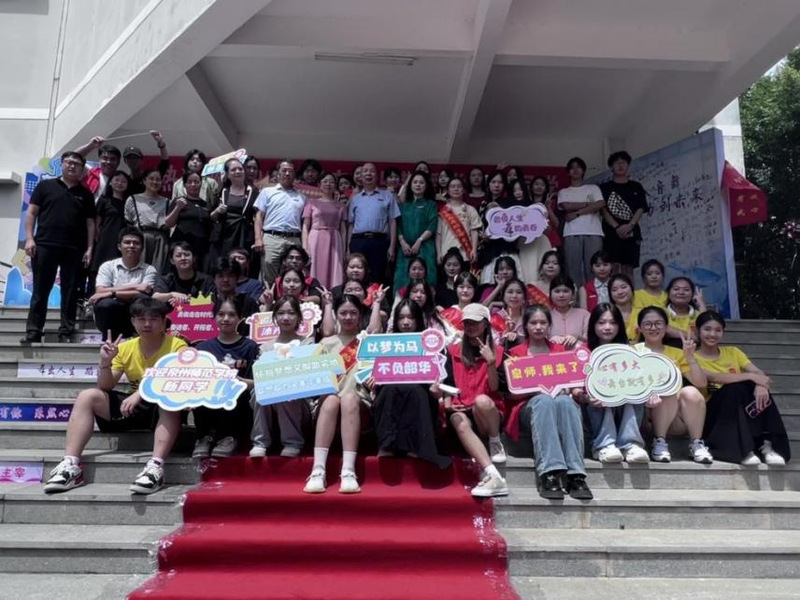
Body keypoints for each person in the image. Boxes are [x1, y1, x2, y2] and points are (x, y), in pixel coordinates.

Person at [43, 298, 186, 494]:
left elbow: (176, 378)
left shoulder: (178, 346)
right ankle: (70, 465)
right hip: (132, 407)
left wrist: (141, 393)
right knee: (87, 396)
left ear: (164, 322)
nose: (147, 324)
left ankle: (155, 467)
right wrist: (105, 362)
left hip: (161, 406)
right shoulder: (126, 347)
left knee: (169, 400)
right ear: (133, 322)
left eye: (153, 319)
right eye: (141, 319)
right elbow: (106, 386)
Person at [503, 305, 593, 500]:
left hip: (558, 404)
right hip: (528, 407)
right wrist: (536, 388)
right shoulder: (515, 353)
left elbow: (571, 385)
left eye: (543, 323)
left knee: (566, 402)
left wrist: (573, 391)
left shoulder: (561, 351)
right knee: (543, 400)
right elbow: (509, 394)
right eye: (533, 323)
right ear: (525, 326)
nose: (538, 327)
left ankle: (576, 475)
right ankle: (549, 473)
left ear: (549, 326)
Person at [695, 311, 790, 465]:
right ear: (697, 331)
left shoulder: (733, 352)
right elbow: (713, 377)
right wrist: (751, 377)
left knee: (753, 389)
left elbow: (758, 373)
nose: (712, 334)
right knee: (734, 388)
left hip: (740, 406)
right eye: (707, 329)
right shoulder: (691, 357)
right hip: (713, 412)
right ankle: (743, 450)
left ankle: (768, 445)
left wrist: (760, 385)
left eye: (718, 330)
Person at [435, 303, 508, 497]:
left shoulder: (499, 351)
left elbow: (496, 389)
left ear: (485, 324)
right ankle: (493, 475)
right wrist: (448, 407)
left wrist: (490, 362)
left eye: (475, 323)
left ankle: (495, 441)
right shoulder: (452, 351)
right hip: (462, 408)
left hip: (488, 414)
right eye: (467, 323)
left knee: (482, 400)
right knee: (458, 420)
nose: (470, 327)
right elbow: (448, 385)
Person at [22, 152, 95, 344]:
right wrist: (29, 239)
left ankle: (66, 331)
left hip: (74, 249)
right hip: (45, 245)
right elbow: (31, 213)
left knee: (70, 292)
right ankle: (34, 331)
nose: (72, 166)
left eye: (77, 164)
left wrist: (89, 249)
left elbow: (90, 224)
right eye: (69, 162)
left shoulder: (86, 194)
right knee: (40, 290)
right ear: (61, 165)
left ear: (82, 169)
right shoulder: (45, 186)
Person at [305, 294, 374, 494]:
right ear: (335, 314)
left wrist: (375, 380)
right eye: (343, 313)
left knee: (349, 399)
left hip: (359, 408)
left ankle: (348, 471)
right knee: (332, 400)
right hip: (328, 408)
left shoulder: (369, 343)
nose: (348, 317)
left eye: (353, 313)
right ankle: (318, 470)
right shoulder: (325, 344)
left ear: (360, 315)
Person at [371, 300, 451, 468]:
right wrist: (372, 381)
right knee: (389, 390)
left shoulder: (432, 345)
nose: (406, 322)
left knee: (415, 391)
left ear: (418, 319)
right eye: (401, 318)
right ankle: (387, 445)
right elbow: (375, 375)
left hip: (422, 395)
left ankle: (416, 446)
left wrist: (437, 391)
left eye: (410, 317)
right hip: (390, 392)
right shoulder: (386, 345)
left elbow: (440, 386)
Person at [635, 306, 714, 464]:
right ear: (639, 329)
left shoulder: (678, 353)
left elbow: (701, 383)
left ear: (666, 327)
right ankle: (659, 441)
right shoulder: (631, 351)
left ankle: (697, 444)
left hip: (672, 417)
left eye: (658, 323)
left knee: (690, 391)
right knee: (666, 391)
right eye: (648, 324)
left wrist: (690, 358)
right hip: (641, 415)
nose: (653, 328)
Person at [585, 303, 655, 463]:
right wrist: (585, 397)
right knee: (603, 391)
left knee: (632, 391)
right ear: (593, 324)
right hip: (594, 409)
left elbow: (642, 379)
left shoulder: (630, 352)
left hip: (624, 407)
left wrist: (651, 394)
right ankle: (603, 446)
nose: (607, 327)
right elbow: (575, 388)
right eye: (601, 322)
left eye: (613, 322)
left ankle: (631, 445)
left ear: (619, 326)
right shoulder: (583, 351)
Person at [193, 296, 259, 458]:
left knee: (234, 392)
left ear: (240, 318)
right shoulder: (203, 348)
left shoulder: (250, 347)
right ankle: (204, 437)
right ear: (215, 317)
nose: (226, 319)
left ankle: (229, 437)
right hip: (209, 399)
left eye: (232, 314)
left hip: (238, 401)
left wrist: (237, 381)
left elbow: (255, 383)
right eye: (221, 314)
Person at [250, 296, 312, 458]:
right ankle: (260, 442)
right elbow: (260, 375)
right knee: (260, 390)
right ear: (274, 317)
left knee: (285, 391)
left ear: (299, 317)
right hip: (269, 400)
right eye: (281, 313)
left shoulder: (308, 344)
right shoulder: (265, 348)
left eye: (291, 313)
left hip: (299, 401)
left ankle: (292, 442)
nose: (286, 318)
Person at [91, 228, 157, 338]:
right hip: (113, 312)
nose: (131, 246)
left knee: (142, 299)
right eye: (127, 242)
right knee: (105, 304)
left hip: (134, 312)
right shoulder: (107, 266)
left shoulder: (149, 269)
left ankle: (138, 336)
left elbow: (144, 293)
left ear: (142, 248)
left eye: (136, 243)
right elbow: (100, 291)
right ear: (119, 246)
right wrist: (136, 286)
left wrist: (112, 293)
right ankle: (109, 338)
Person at [253, 160, 306, 285]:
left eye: (290, 171)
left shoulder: (302, 197)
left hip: (293, 239)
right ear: (278, 173)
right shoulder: (267, 192)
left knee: (292, 273)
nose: (287, 173)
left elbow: (304, 223)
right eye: (284, 170)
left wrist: (305, 245)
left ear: (295, 174)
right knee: (268, 271)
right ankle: (270, 296)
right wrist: (258, 239)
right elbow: (259, 217)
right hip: (271, 238)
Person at [347, 162, 400, 285]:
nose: (368, 174)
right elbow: (351, 224)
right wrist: (348, 247)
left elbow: (392, 221)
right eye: (365, 171)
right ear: (361, 176)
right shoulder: (355, 199)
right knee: (357, 275)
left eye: (372, 171)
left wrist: (392, 246)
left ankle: (375, 298)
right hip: (358, 241)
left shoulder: (387, 196)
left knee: (377, 276)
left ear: (377, 176)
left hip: (379, 241)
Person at [557, 157, 605, 286]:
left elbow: (600, 204)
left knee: (594, 268)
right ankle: (575, 297)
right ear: (568, 172)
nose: (575, 170)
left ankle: (593, 295)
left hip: (593, 231)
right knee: (572, 270)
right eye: (572, 168)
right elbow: (566, 206)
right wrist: (589, 204)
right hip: (571, 233)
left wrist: (576, 213)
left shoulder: (593, 188)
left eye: (578, 167)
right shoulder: (564, 191)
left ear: (583, 170)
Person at [600, 151, 648, 278]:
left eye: (623, 162)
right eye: (617, 163)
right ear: (611, 167)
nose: (620, 165)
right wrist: (616, 227)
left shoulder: (636, 186)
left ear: (628, 165)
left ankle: (629, 291)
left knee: (628, 268)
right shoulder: (604, 188)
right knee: (613, 267)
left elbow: (641, 208)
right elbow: (603, 210)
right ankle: (613, 291)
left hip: (632, 232)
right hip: (611, 232)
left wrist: (630, 225)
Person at [212, 158, 259, 278]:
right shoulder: (221, 192)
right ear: (227, 174)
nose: (238, 171)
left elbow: (258, 216)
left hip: (245, 234)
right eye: (233, 170)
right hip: (226, 236)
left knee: (244, 266)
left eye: (240, 169)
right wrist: (217, 211)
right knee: (226, 265)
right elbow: (211, 217)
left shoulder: (254, 192)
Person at [302, 171, 348, 289]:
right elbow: (305, 226)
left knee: (334, 269)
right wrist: (305, 247)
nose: (328, 184)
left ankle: (333, 294)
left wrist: (344, 249)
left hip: (334, 240)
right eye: (325, 181)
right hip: (316, 239)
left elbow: (343, 230)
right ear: (319, 184)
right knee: (315, 267)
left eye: (332, 182)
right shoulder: (311, 202)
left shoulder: (341, 205)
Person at [395, 171, 438, 291]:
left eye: (421, 182)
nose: (418, 185)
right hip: (405, 248)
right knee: (402, 279)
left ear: (426, 185)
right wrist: (402, 242)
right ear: (410, 185)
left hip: (425, 247)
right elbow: (398, 226)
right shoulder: (403, 205)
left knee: (426, 279)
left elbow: (432, 225)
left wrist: (419, 241)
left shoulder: (431, 205)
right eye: (415, 182)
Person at [478, 170, 521, 284]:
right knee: (489, 284)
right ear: (488, 184)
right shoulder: (483, 204)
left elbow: (515, 227)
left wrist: (500, 211)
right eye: (493, 182)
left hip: (505, 248)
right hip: (488, 251)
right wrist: (482, 236)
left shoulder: (510, 203)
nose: (496, 185)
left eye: (500, 182)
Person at [124, 168, 170, 273]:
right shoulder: (133, 199)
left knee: (157, 272)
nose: (155, 182)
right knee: (137, 271)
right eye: (151, 179)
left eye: (158, 179)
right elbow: (128, 222)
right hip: (140, 238)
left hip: (160, 240)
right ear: (144, 181)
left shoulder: (167, 202)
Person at [166, 171, 213, 271]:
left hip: (201, 247)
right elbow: (168, 223)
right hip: (182, 245)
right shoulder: (179, 201)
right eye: (190, 182)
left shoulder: (206, 205)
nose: (193, 184)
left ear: (201, 184)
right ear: (184, 185)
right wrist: (178, 207)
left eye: (196, 182)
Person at [512, 178, 553, 283]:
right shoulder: (510, 209)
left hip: (541, 242)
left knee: (542, 271)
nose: (518, 193)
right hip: (524, 243)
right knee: (527, 272)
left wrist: (543, 219)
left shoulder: (538, 207)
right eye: (515, 190)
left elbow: (548, 230)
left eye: (520, 189)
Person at [437, 176, 481, 269]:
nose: (456, 189)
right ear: (448, 190)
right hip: (446, 253)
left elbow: (474, 231)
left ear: (464, 190)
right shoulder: (442, 211)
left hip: (466, 253)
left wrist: (474, 250)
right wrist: (439, 253)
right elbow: (439, 234)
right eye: (452, 186)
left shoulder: (470, 209)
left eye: (459, 186)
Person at [92, 171, 131, 273]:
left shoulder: (129, 202)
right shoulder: (104, 200)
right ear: (110, 182)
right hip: (105, 238)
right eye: (117, 180)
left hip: (122, 239)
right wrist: (97, 236)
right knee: (100, 268)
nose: (120, 183)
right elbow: (97, 222)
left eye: (123, 181)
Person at [152, 242, 213, 307]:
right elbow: (155, 297)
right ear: (172, 261)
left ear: (194, 258)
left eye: (187, 255)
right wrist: (172, 295)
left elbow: (212, 301)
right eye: (178, 256)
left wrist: (185, 301)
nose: (183, 258)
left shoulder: (206, 280)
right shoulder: (166, 279)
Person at [121, 131, 170, 196]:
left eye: (135, 158)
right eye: (129, 158)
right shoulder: (125, 181)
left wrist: (161, 145)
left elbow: (164, 163)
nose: (133, 161)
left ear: (141, 160)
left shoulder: (149, 176)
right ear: (125, 161)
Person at [548, 275, 590, 349]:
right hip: (553, 355)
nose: (561, 295)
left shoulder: (584, 315)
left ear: (573, 294)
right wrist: (551, 339)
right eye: (557, 291)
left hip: (580, 354)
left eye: (566, 291)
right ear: (550, 294)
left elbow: (591, 338)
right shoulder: (546, 316)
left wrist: (577, 336)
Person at [665, 276, 706, 345]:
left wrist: (702, 305)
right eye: (676, 289)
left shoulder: (698, 314)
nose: (681, 292)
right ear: (668, 293)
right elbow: (662, 328)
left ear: (692, 295)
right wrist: (691, 336)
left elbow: (707, 329)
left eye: (686, 290)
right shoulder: (661, 313)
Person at [530, 175, 561, 248]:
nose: (539, 187)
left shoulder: (552, 203)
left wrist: (548, 208)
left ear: (546, 188)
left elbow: (557, 224)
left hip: (550, 240)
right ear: (531, 187)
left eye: (542, 185)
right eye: (536, 184)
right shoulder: (527, 205)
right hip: (532, 242)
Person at [609, 273, 640, 342]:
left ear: (631, 288)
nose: (620, 292)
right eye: (614, 290)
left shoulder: (641, 313)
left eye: (624, 287)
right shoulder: (608, 315)